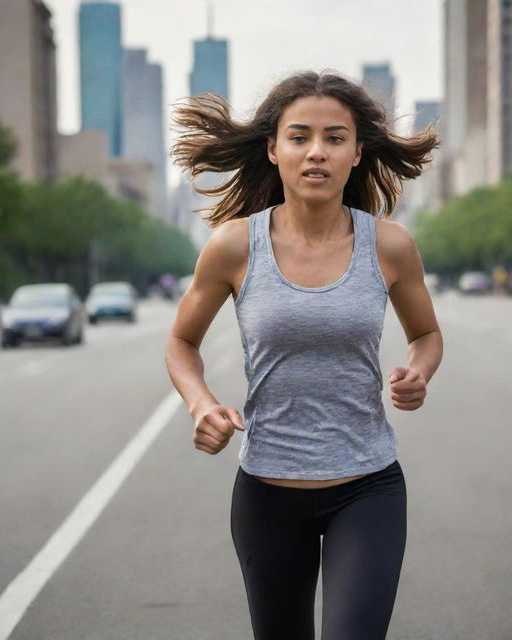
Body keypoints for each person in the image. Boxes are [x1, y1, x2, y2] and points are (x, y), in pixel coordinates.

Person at [165, 70, 443, 640]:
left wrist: (419, 371)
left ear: (358, 152)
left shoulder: (388, 245)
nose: (317, 152)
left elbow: (427, 336)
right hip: (267, 492)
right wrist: (200, 405)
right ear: (273, 149)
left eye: (335, 138)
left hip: (368, 487)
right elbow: (180, 342)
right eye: (299, 137)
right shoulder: (234, 246)